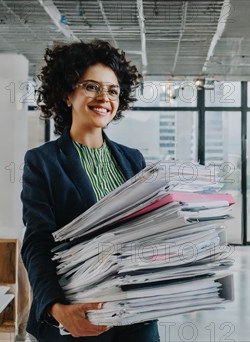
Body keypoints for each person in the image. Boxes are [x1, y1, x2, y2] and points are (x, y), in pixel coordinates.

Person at [20, 39, 159, 341]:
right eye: (91, 87)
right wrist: (57, 309)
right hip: (76, 314)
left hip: (136, 315)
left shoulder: (133, 158)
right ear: (67, 93)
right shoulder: (42, 162)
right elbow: (37, 243)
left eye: (113, 90)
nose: (104, 97)